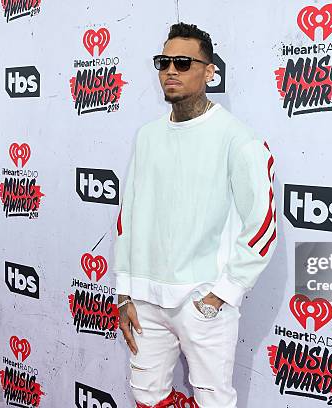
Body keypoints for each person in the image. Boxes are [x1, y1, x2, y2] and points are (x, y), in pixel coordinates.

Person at [113, 22, 277, 408]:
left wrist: (223, 293)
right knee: (146, 394)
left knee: (213, 401)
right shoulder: (147, 136)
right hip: (145, 298)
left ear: (209, 70)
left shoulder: (239, 139)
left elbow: (263, 223)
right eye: (164, 61)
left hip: (203, 301)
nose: (171, 70)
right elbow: (128, 215)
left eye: (184, 62)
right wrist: (124, 290)